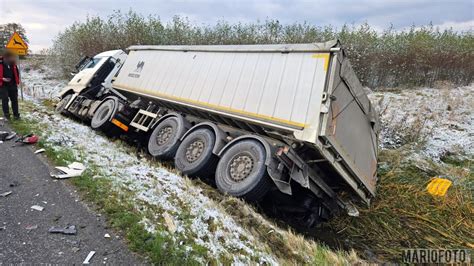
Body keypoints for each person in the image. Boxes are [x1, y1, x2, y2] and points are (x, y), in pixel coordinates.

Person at [0, 51, 21, 120]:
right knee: (5, 99)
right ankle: (6, 115)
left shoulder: (13, 64)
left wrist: (17, 82)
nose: (11, 59)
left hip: (13, 84)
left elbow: (17, 73)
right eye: (10, 57)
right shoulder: (1, 64)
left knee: (14, 100)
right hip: (3, 85)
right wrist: (2, 78)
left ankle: (16, 115)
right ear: (6, 57)